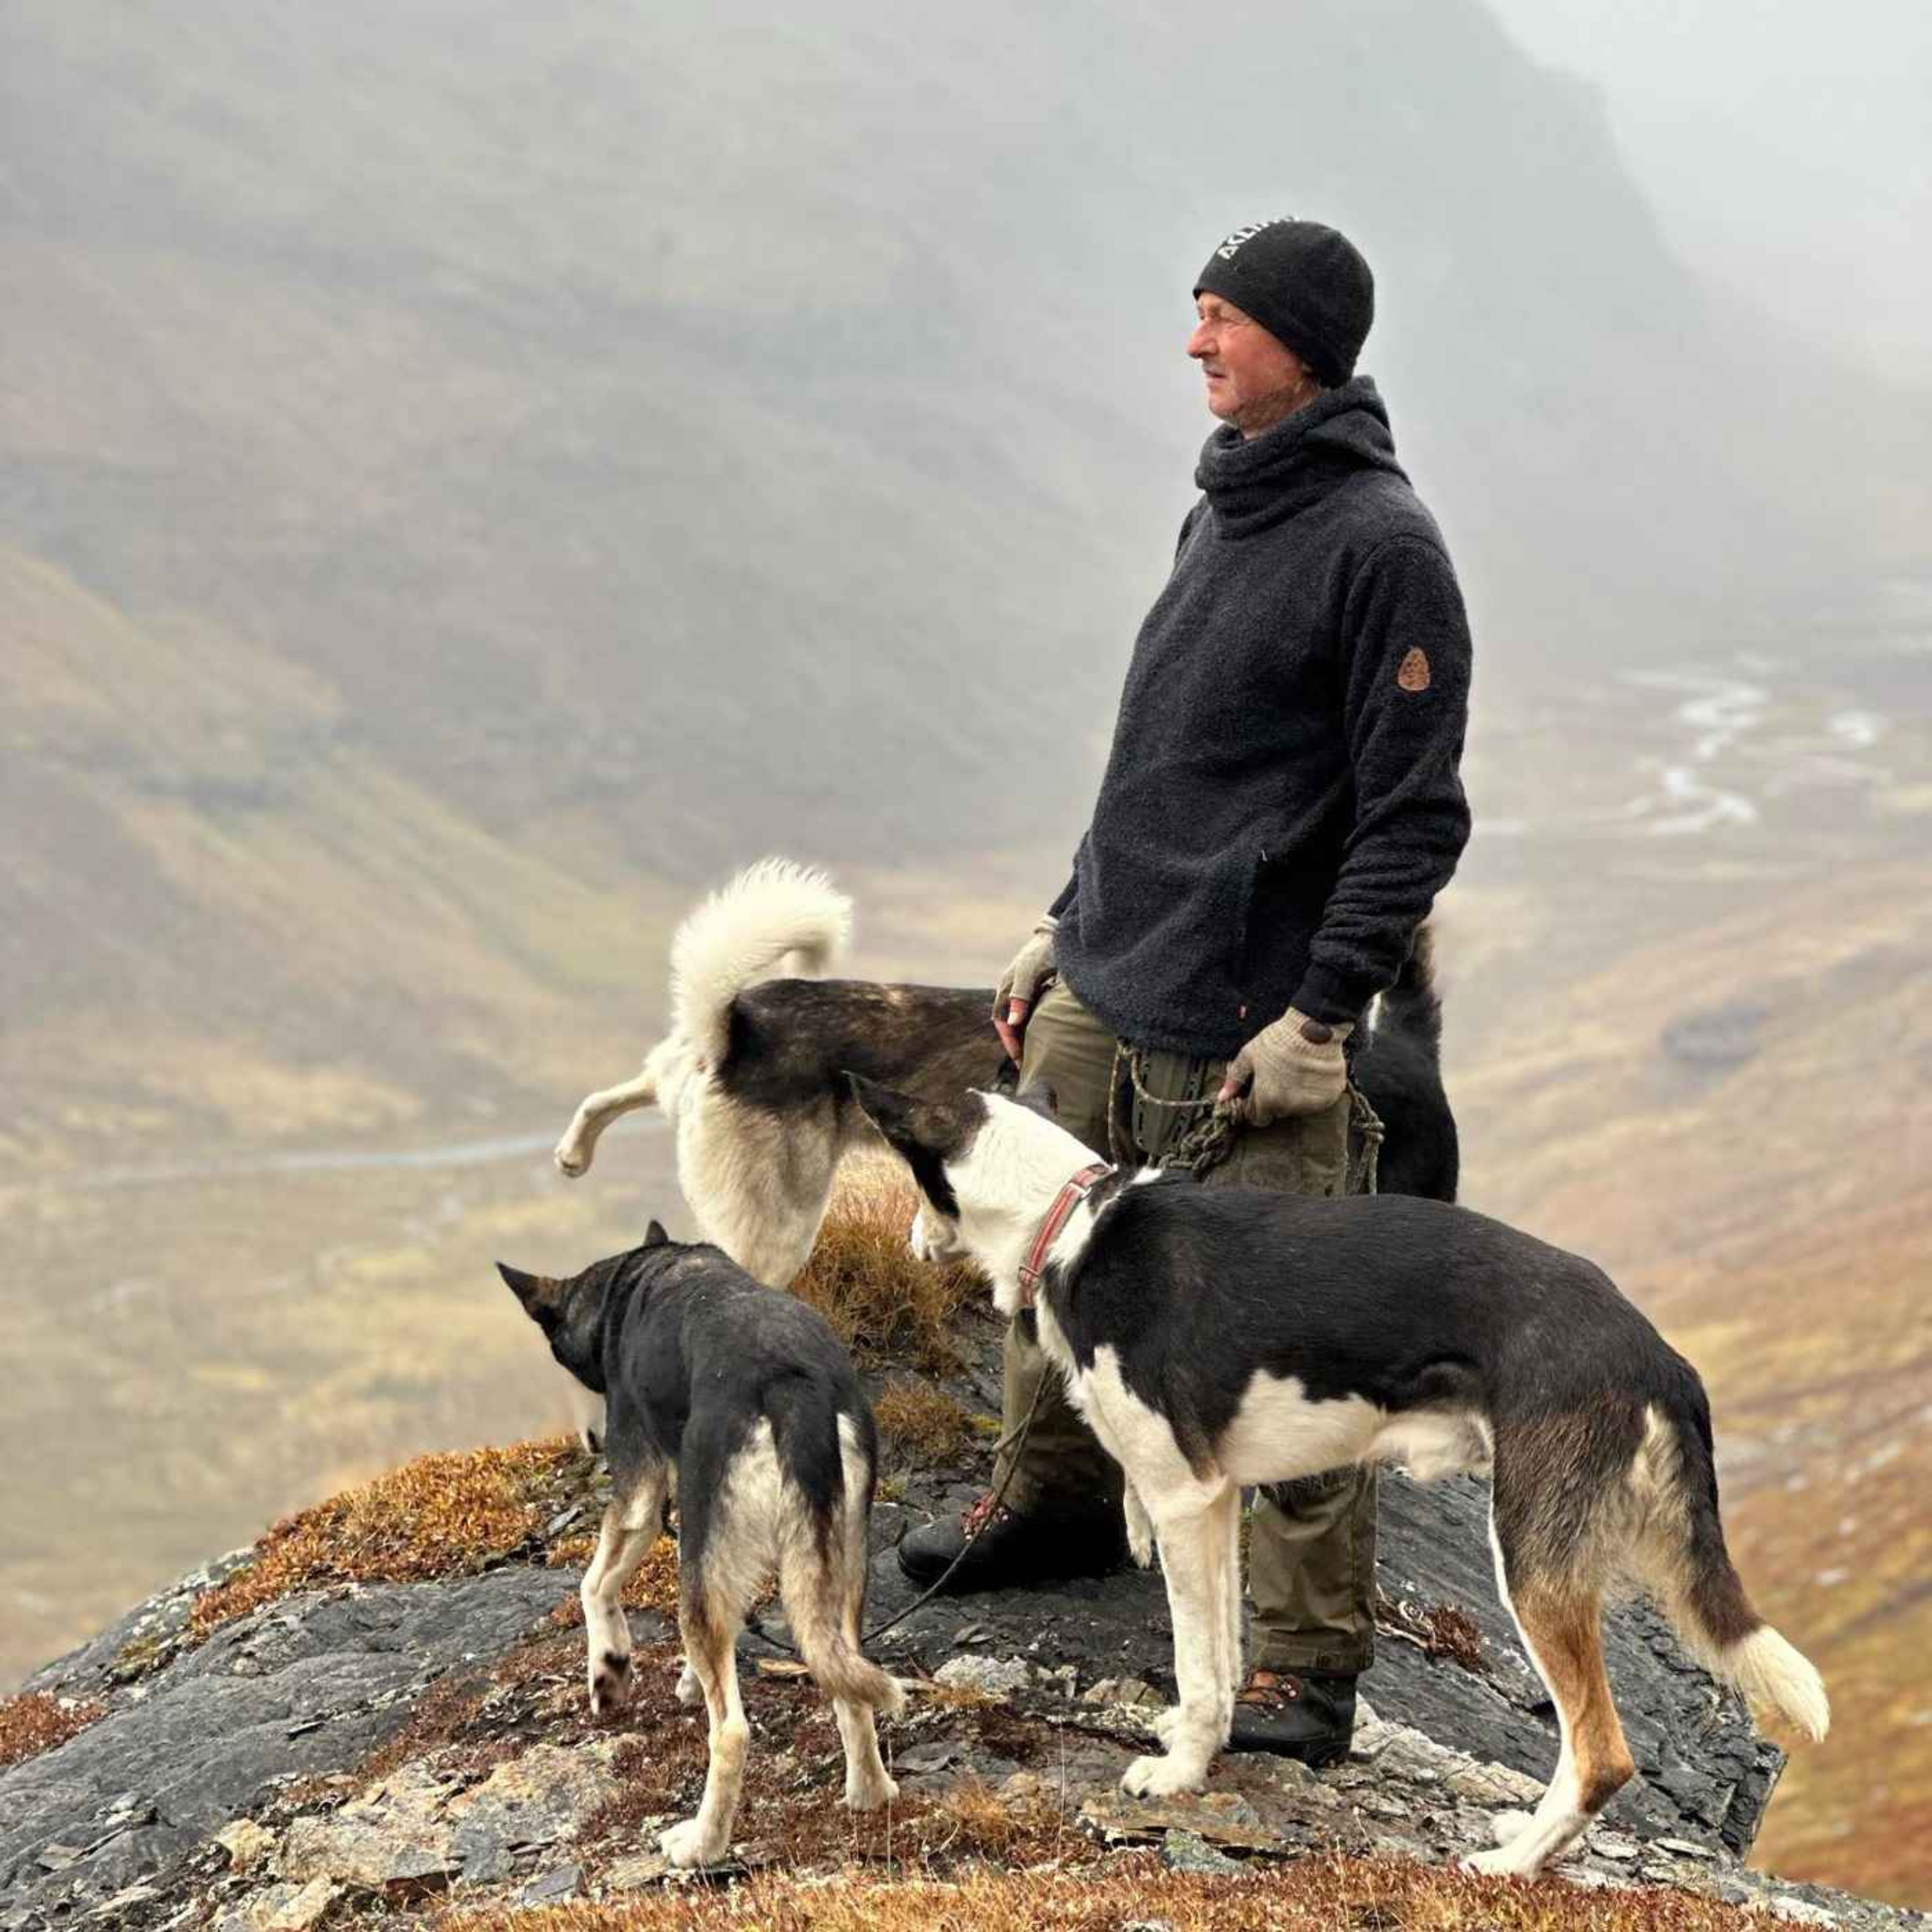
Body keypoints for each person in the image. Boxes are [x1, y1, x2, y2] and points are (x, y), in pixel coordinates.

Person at [896, 218, 1474, 1766]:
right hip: (1114, 966)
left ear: (1304, 342)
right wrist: (1059, 920)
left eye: (1222, 319)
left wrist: (1319, 1018)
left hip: (1252, 1022)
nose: (1196, 344)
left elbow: (1416, 817)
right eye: (1196, 315)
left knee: (1290, 1323)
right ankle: (1060, 1498)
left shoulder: (1384, 547)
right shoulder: (1219, 509)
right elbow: (1156, 755)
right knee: (1040, 1256)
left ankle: (1296, 1666)